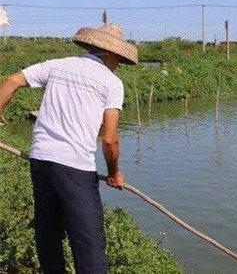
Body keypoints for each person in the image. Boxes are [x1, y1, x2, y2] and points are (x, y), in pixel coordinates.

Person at [0, 23, 138, 273]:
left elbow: (12, 81)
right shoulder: (112, 82)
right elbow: (109, 140)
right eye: (119, 59)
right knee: (89, 244)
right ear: (111, 54)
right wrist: (115, 173)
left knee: (48, 233)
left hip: (40, 161)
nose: (118, 65)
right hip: (76, 168)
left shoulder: (57, 64)